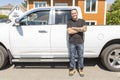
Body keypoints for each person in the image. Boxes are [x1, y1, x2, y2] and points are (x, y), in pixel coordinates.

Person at [67, 9, 87, 77]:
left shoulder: (82, 20)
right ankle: (72, 69)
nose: (73, 14)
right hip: (72, 42)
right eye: (72, 13)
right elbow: (69, 31)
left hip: (80, 42)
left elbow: (85, 29)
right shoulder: (69, 21)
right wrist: (80, 29)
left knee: (81, 56)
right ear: (71, 14)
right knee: (72, 56)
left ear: (77, 13)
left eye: (74, 13)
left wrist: (74, 28)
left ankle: (80, 69)